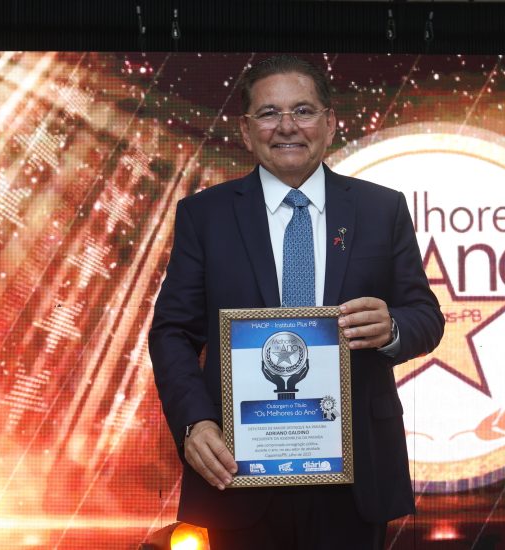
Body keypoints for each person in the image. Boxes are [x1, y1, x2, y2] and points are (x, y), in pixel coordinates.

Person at [149, 55, 444, 550]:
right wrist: (194, 423)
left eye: (303, 110)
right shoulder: (204, 216)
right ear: (245, 130)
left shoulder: (381, 208)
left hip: (356, 471)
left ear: (330, 123)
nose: (287, 127)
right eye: (269, 113)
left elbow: (426, 316)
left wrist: (392, 327)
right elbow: (172, 332)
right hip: (239, 466)